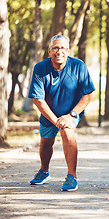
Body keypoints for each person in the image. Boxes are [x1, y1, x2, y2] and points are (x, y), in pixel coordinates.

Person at [28, 35, 95, 191]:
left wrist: (71, 115)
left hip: (71, 111)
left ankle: (72, 176)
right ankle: (44, 172)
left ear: (68, 51)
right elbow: (38, 100)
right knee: (46, 142)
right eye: (56, 48)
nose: (59, 52)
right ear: (49, 51)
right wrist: (55, 120)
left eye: (63, 48)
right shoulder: (40, 68)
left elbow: (88, 94)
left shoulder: (78, 66)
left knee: (67, 131)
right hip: (49, 112)